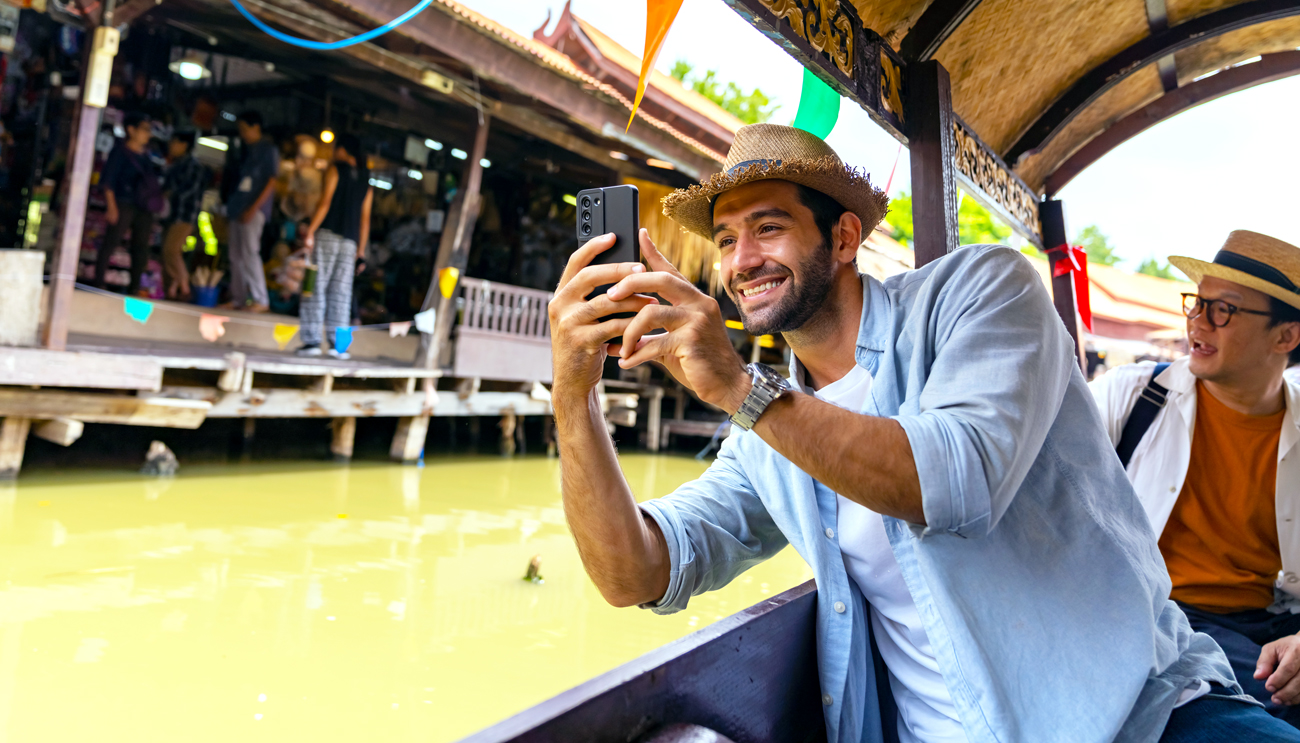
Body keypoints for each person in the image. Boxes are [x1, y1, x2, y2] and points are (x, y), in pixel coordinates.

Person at [546, 124, 1288, 743]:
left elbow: (954, 481)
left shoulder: (984, 292)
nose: (742, 261)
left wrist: (741, 387)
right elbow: (636, 574)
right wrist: (573, 395)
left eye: (768, 226)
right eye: (728, 237)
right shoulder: (765, 434)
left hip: (1136, 713)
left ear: (842, 237)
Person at [1092, 231, 1300, 726]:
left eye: (1222, 309)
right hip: (1160, 621)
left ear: (1286, 336)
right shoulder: (1133, 396)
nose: (1197, 322)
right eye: (1196, 303)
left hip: (1271, 626)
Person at [297, 133, 372, 359]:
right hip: (350, 243)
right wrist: (361, 252)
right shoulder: (365, 181)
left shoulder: (335, 169)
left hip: (328, 236)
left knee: (315, 286)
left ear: (341, 150)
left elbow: (325, 203)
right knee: (341, 293)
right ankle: (338, 347)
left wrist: (310, 231)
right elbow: (365, 220)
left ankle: (311, 342)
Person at [95, 111, 162, 295]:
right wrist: (111, 205)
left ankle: (134, 288)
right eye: (145, 129)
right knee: (111, 241)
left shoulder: (147, 157)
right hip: (123, 203)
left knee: (140, 247)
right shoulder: (119, 152)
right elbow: (108, 181)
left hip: (143, 207)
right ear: (131, 130)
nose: (148, 134)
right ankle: (98, 282)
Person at [223, 110, 278, 312]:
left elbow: (272, 181)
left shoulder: (268, 150)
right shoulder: (246, 151)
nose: (243, 134)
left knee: (249, 252)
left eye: (245, 129)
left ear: (256, 128)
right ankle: (238, 297)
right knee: (235, 254)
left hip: (254, 209)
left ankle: (260, 299)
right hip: (237, 207)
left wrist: (254, 208)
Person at [160, 130, 207, 300]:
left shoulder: (192, 166)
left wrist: (167, 195)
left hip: (185, 216)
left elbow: (186, 191)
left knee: (171, 250)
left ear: (184, 145)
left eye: (174, 141)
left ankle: (184, 287)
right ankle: (174, 288)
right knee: (168, 252)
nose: (171, 145)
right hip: (173, 216)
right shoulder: (176, 164)